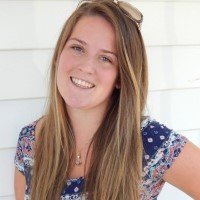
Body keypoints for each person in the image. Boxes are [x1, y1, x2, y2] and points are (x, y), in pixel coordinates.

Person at [14, 0, 200, 199]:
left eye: (106, 59)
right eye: (78, 48)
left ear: (121, 77)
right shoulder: (30, 140)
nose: (86, 67)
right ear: (58, 55)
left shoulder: (149, 141)